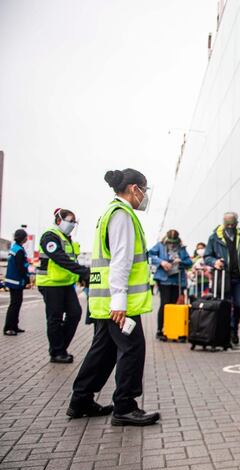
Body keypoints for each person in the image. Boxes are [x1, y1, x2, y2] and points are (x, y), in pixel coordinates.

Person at [68, 168, 160, 426]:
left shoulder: (109, 213)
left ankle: (81, 399)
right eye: (145, 189)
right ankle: (125, 406)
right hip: (119, 302)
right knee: (132, 349)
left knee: (104, 350)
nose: (146, 195)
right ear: (134, 189)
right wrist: (119, 301)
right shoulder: (122, 215)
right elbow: (121, 260)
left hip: (105, 300)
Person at [36, 208, 90, 362]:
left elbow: (72, 260)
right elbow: (59, 258)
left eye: (74, 222)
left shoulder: (66, 238)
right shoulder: (50, 236)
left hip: (66, 283)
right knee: (55, 318)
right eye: (70, 221)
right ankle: (57, 352)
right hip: (51, 283)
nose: (72, 224)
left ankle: (59, 347)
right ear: (59, 220)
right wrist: (83, 271)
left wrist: (81, 275)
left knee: (75, 313)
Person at [204, 212, 240, 345]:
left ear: (236, 223)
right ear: (224, 223)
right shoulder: (214, 237)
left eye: (232, 224)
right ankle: (226, 333)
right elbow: (207, 256)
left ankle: (234, 329)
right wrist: (214, 262)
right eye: (227, 224)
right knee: (225, 306)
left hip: (239, 278)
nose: (230, 226)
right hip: (223, 278)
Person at [148, 229, 192, 340]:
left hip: (177, 280)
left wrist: (180, 261)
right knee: (165, 304)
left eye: (174, 242)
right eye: (170, 242)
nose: (172, 244)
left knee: (175, 305)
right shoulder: (160, 245)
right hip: (164, 280)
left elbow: (189, 262)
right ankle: (160, 330)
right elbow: (150, 255)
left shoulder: (182, 248)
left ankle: (173, 330)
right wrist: (161, 262)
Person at [3, 229, 30, 336]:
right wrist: (26, 279)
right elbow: (20, 267)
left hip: (12, 280)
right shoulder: (19, 250)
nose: (27, 239)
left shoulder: (14, 248)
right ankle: (8, 328)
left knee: (16, 304)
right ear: (23, 238)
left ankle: (14, 326)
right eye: (26, 237)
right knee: (15, 305)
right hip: (16, 281)